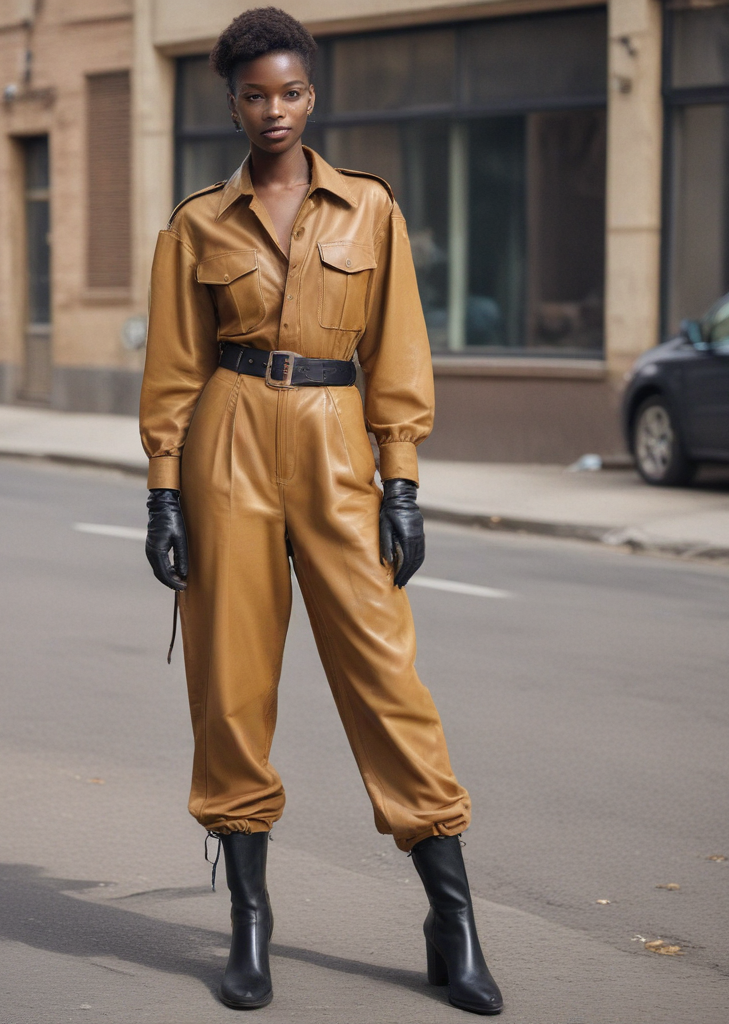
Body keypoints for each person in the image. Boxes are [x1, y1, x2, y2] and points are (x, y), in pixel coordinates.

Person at [139, 7, 502, 1015]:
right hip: (227, 448)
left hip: (340, 443)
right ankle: (250, 924)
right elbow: (174, 368)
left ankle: (452, 916)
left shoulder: (369, 210)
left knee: (386, 675)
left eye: (290, 91)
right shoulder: (198, 222)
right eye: (255, 94)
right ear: (232, 101)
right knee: (230, 687)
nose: (274, 110)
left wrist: (403, 478)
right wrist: (164, 494)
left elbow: (399, 352)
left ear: (313, 94)